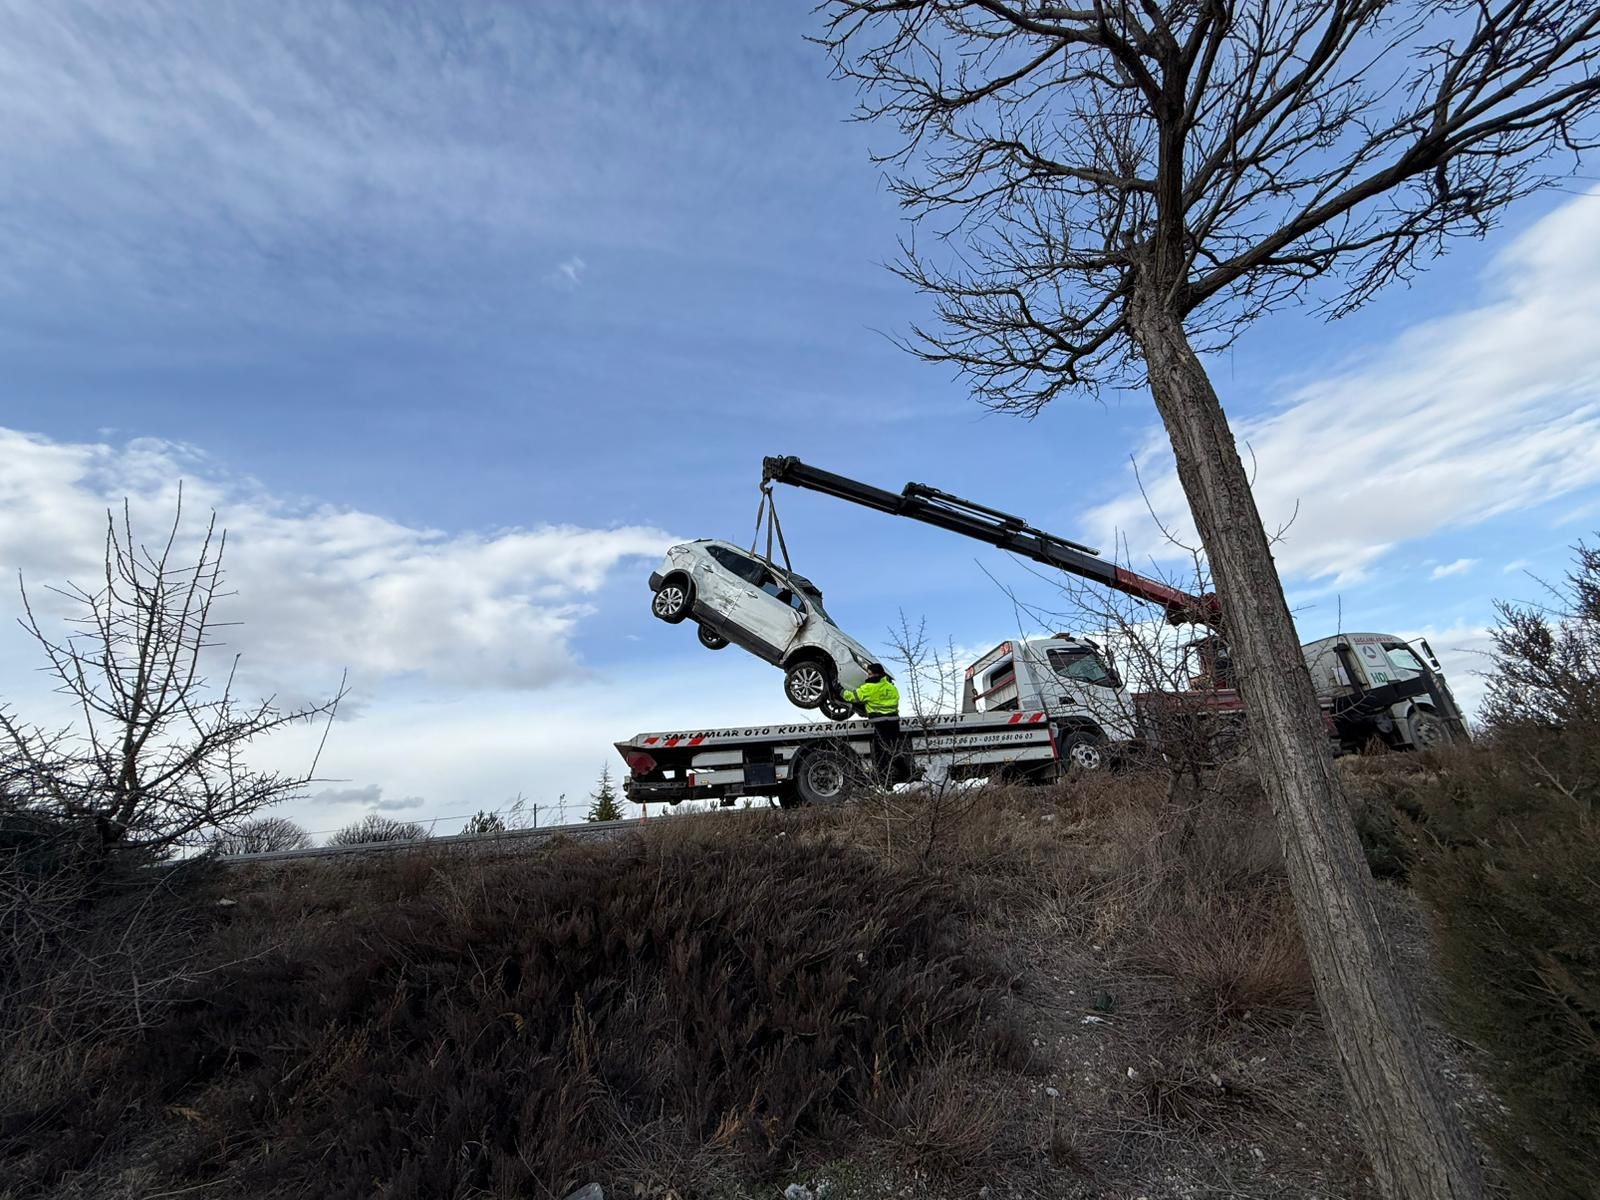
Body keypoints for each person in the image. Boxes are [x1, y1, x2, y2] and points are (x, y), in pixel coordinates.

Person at [842, 663, 901, 783]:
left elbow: (851, 697)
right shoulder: (891, 687)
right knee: (894, 750)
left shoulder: (869, 688)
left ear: (875, 674)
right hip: (894, 721)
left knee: (880, 752)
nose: (867, 676)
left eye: (869, 673)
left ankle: (885, 780)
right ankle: (905, 771)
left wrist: (840, 690)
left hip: (880, 723)